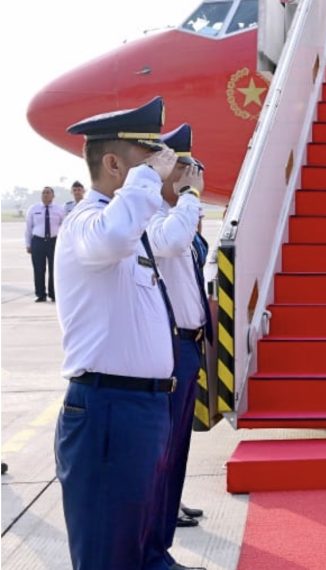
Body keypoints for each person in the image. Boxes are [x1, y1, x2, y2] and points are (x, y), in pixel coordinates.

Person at [53, 96, 196, 570]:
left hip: (143, 407)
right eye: (150, 161)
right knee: (107, 554)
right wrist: (147, 182)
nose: (162, 171)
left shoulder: (128, 224)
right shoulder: (85, 223)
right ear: (114, 164)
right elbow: (113, 237)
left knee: (134, 545)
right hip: (108, 410)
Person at [141, 123, 210, 570]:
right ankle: (151, 553)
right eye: (181, 166)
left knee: (177, 452)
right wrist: (189, 197)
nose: (191, 174)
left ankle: (160, 546)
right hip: (168, 349)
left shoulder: (177, 212)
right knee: (161, 457)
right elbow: (170, 243)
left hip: (189, 346)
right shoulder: (152, 215)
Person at [25, 186, 65, 302]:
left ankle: (53, 294)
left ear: (53, 196)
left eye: (48, 193)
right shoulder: (33, 209)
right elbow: (28, 227)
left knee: (54, 269)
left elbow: (64, 226)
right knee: (38, 269)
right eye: (43, 193)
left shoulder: (59, 209)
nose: (45, 195)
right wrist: (28, 244)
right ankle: (40, 294)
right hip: (38, 241)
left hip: (54, 242)